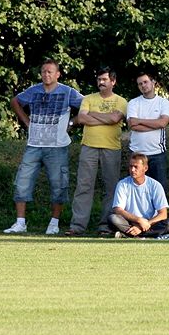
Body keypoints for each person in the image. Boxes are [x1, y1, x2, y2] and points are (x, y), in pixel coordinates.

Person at [3, 59, 83, 235]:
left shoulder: (68, 92)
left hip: (57, 146)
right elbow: (15, 101)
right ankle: (20, 223)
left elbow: (87, 107)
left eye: (50, 72)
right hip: (34, 145)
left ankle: (54, 224)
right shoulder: (33, 90)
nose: (46, 74)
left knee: (58, 185)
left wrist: (72, 122)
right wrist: (26, 121)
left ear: (58, 74)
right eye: (43, 71)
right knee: (22, 182)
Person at [68, 67, 128, 236]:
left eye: (104, 80)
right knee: (84, 186)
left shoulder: (121, 101)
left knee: (111, 188)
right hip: (89, 146)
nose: (101, 82)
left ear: (113, 82)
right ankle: (77, 226)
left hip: (111, 148)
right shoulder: (88, 98)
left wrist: (93, 114)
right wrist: (105, 118)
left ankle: (106, 226)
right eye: (99, 79)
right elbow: (82, 118)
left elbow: (115, 118)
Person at [108, 153, 169, 238]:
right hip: (130, 222)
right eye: (131, 166)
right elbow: (118, 210)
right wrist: (138, 220)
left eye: (136, 167)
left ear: (145, 168)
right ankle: (148, 235)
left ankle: (129, 234)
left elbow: (163, 214)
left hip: (150, 223)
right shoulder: (122, 184)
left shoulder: (155, 185)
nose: (132, 170)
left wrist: (143, 226)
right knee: (113, 219)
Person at [127, 72, 169, 190]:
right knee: (136, 189)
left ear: (153, 82)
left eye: (145, 82)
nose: (143, 85)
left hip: (157, 153)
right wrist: (156, 124)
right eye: (140, 84)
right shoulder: (133, 103)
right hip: (136, 153)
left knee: (159, 190)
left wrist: (139, 120)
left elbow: (163, 123)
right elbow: (132, 125)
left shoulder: (163, 102)